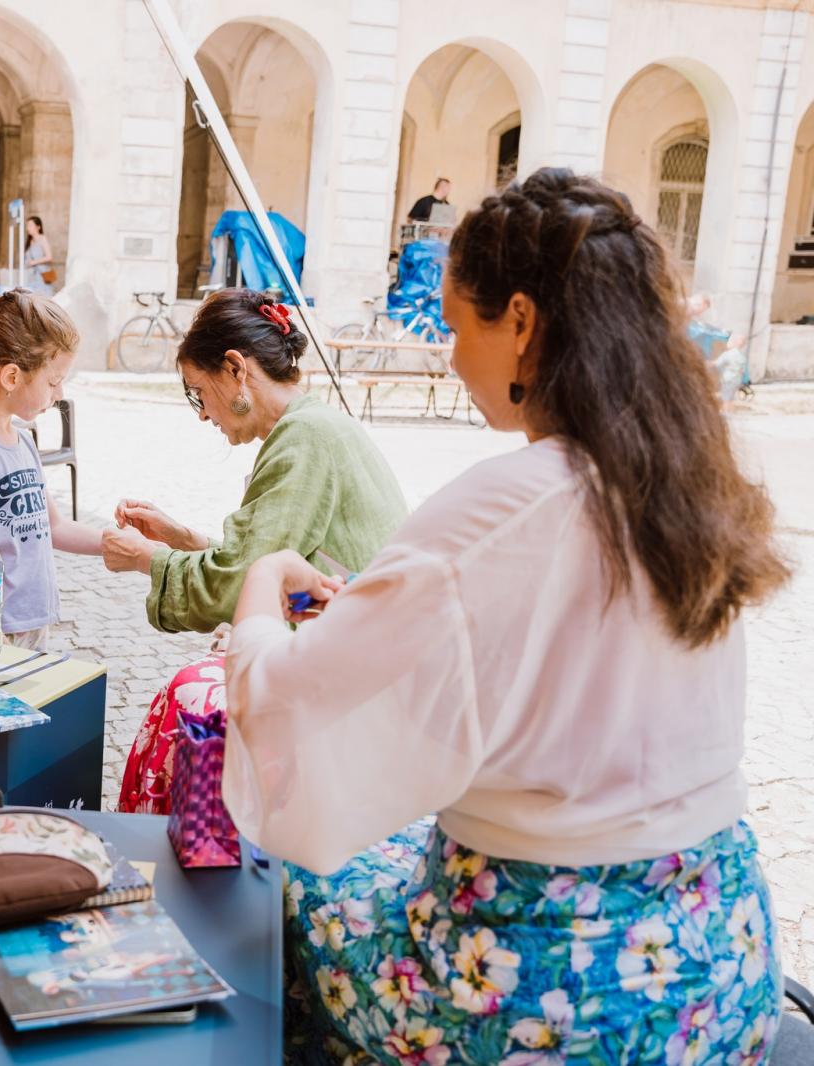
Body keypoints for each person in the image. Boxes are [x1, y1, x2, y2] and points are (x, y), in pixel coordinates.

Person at [223, 169, 790, 1061]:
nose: (450, 355)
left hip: (544, 992)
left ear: (520, 322)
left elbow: (278, 701)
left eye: (455, 326)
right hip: (720, 963)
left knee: (285, 875)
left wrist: (263, 582)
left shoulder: (504, 506)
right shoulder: (688, 487)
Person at [100, 288, 408, 813]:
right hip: (352, 637)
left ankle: (187, 853)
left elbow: (242, 583)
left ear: (236, 369)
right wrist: (181, 538)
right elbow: (268, 560)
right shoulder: (311, 427)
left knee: (187, 697)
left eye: (198, 393)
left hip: (364, 675)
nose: (202, 415)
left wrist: (143, 559)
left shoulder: (305, 438)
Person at [0, 288, 106, 651]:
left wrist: (114, 543)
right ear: (11, 377)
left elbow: (54, 526)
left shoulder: (22, 441)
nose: (59, 394)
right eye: (53, 381)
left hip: (32, 622)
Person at [23, 216, 56, 297]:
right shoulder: (29, 241)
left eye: (30, 225)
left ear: (38, 227)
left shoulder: (42, 239)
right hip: (31, 277)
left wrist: (34, 262)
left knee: (43, 299)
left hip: (42, 276)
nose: (28, 228)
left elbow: (49, 257)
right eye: (27, 226)